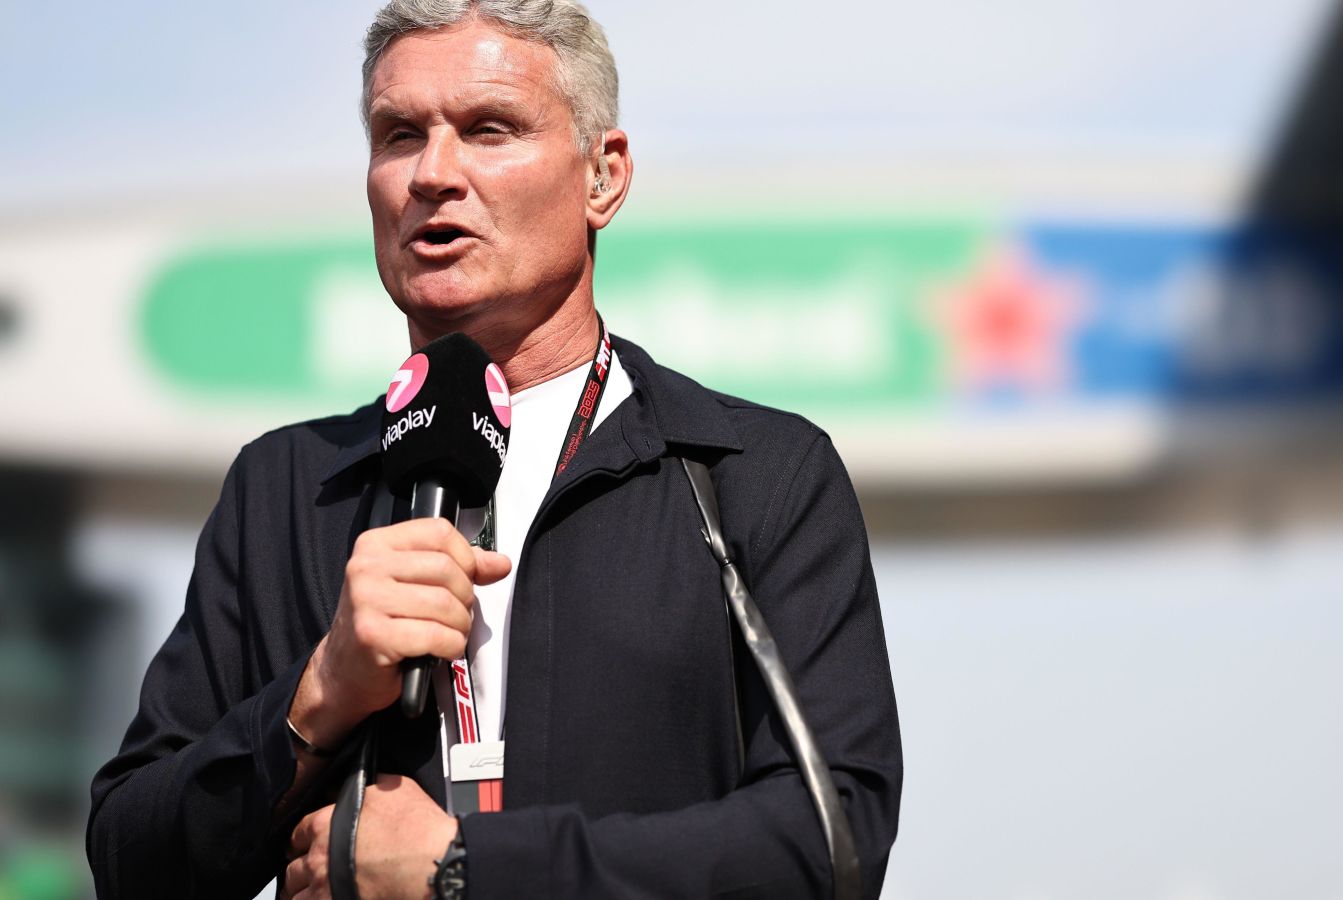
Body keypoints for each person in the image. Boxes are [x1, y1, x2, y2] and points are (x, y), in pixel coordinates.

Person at [84, 2, 903, 897]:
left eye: (489, 130)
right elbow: (128, 860)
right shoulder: (284, 487)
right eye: (399, 135)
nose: (433, 174)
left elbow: (832, 844)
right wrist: (319, 693)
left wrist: (467, 872)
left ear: (603, 176)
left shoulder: (753, 474)